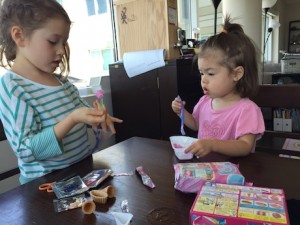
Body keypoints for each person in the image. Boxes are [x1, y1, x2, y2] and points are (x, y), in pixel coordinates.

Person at [0, 0, 122, 184]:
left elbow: (82, 115)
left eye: (64, 42)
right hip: (45, 187)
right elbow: (25, 151)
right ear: (19, 36)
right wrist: (73, 118)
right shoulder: (13, 87)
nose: (61, 51)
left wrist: (96, 118)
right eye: (52, 41)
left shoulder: (62, 82)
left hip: (81, 174)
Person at [172, 16, 265, 158]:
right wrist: (182, 113)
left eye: (210, 73)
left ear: (236, 74)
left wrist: (212, 144)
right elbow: (197, 125)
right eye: (201, 73)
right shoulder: (204, 102)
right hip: (206, 169)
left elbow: (245, 145)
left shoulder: (247, 110)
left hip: (234, 172)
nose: (204, 80)